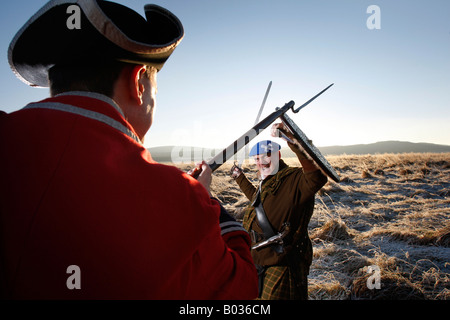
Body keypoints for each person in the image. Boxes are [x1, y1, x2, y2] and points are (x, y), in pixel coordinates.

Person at [0, 0, 258, 299]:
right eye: (154, 91)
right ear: (138, 84)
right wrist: (206, 200)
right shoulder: (183, 200)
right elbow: (240, 290)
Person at [231, 123, 328, 300]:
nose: (261, 162)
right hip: (258, 257)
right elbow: (258, 201)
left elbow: (317, 177)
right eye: (257, 159)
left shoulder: (295, 178)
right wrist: (240, 178)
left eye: (266, 157)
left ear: (278, 155)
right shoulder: (267, 181)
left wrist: (292, 140)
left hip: (282, 261)